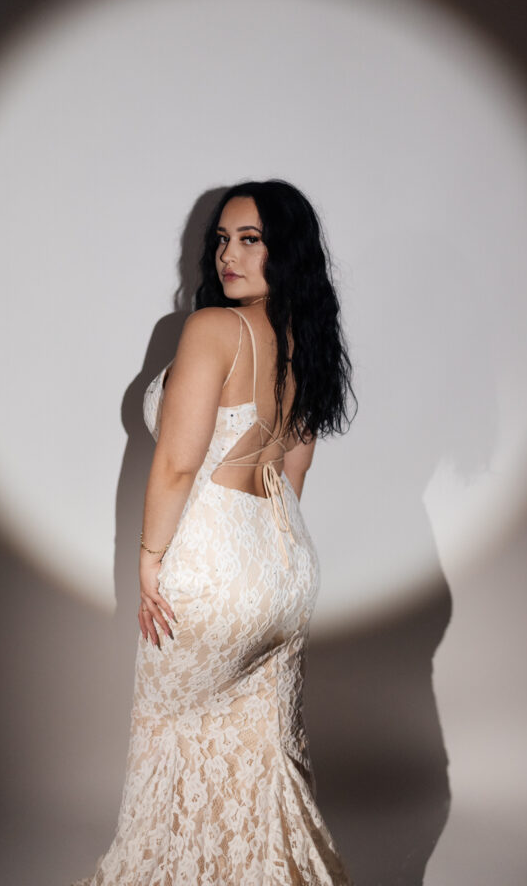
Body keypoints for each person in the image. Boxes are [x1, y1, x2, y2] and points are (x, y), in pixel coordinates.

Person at [74, 179, 358, 885]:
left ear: (284, 250)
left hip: (213, 566)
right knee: (262, 756)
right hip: (285, 566)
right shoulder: (304, 339)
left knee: (170, 747)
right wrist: (267, 556)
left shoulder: (212, 329)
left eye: (250, 240)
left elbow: (177, 463)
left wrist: (149, 559)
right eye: (223, 240)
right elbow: (295, 464)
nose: (229, 255)